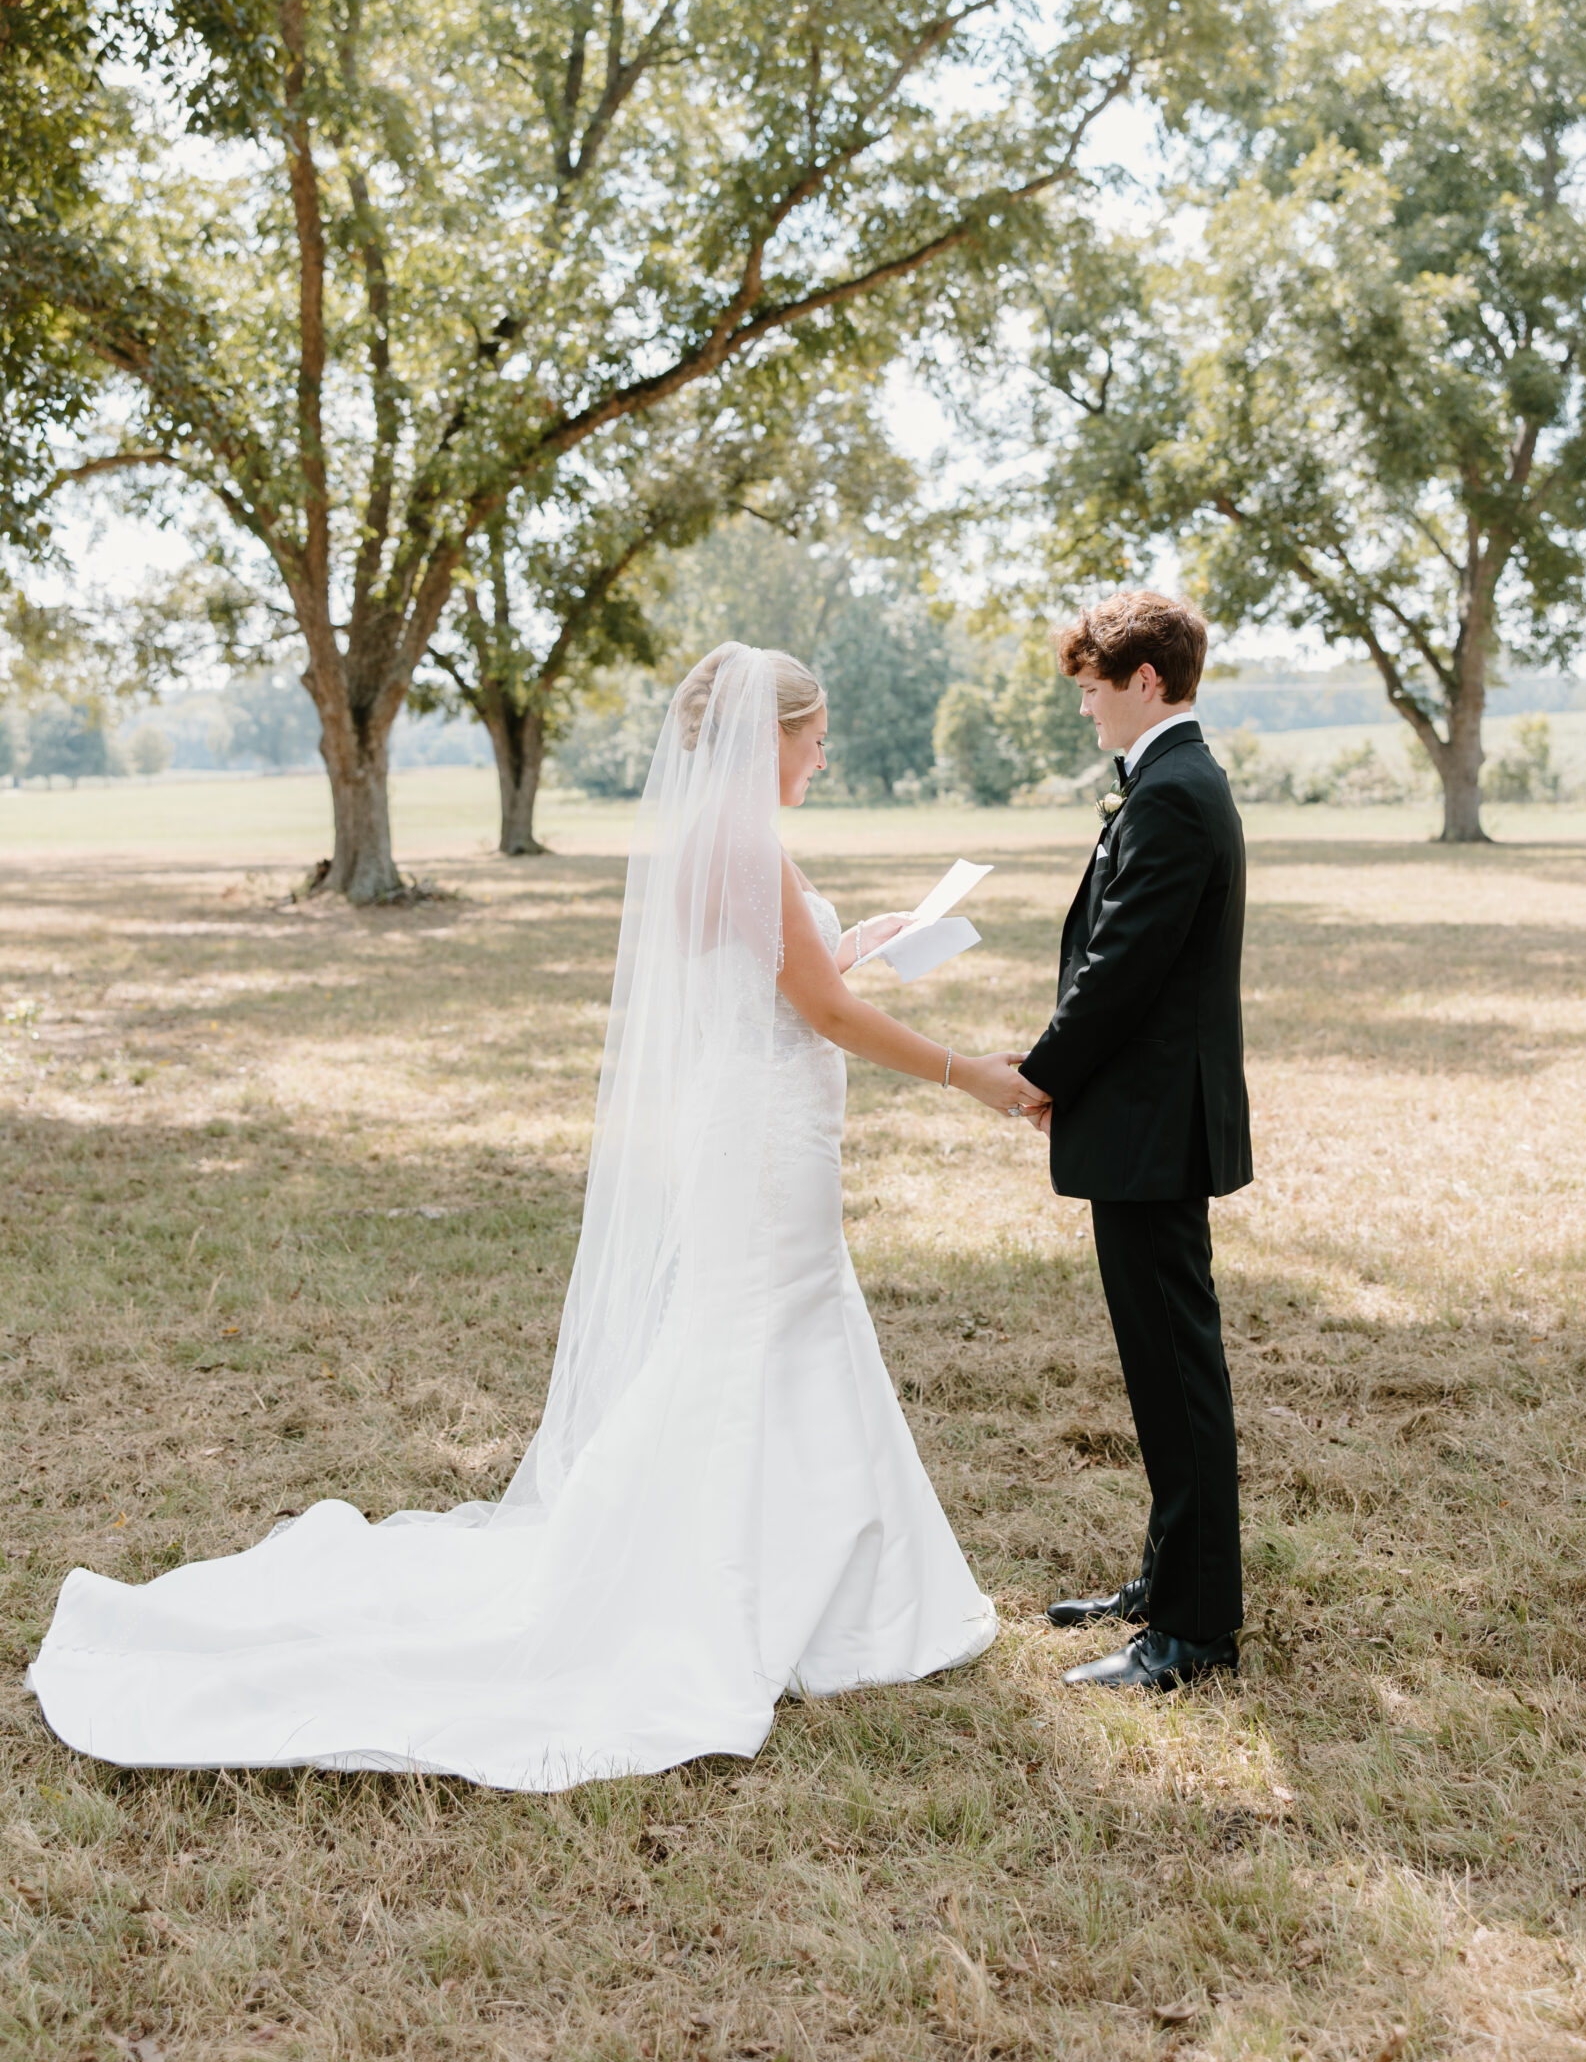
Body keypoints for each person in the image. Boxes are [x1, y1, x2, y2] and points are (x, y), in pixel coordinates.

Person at [28, 645, 1031, 1791]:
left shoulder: (728, 841)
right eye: (814, 735)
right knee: (759, 1331)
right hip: (761, 1146)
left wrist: (856, 943)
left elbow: (789, 978)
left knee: (771, 1333)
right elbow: (820, 1012)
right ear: (773, 734)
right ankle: (760, 1590)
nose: (823, 751)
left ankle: (825, 1585)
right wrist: (973, 1074)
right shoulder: (742, 841)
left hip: (761, 1133)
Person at [1015, 591, 1252, 1695]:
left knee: (1179, 1374)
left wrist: (1039, 1072)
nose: (1086, 710)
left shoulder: (1175, 793)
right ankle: (1167, 1579)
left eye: (1093, 688)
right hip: (1146, 1125)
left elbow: (1123, 966)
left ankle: (1195, 1630)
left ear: (1144, 679)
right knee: (1159, 1371)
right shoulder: (1168, 783)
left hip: (1155, 1129)